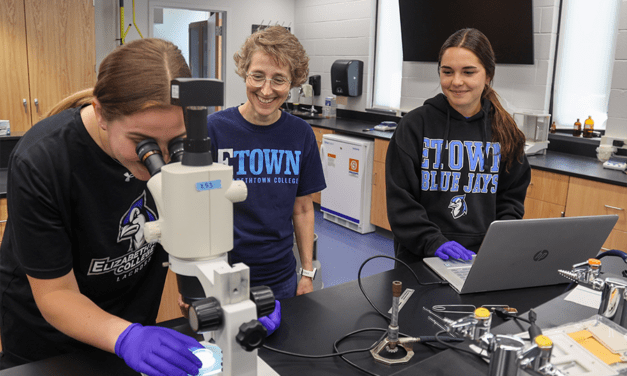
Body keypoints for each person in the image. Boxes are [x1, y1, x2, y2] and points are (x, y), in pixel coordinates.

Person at [0, 38, 204, 376]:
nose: (163, 159)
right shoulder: (44, 160)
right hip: (50, 342)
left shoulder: (190, 144)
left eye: (176, 142)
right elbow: (55, 294)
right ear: (101, 114)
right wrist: (125, 337)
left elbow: (195, 230)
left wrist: (226, 293)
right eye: (144, 144)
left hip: (132, 327)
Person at [386, 28, 531, 265]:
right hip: (421, 258)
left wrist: (496, 245)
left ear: (488, 75)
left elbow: (510, 202)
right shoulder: (414, 127)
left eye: (468, 72)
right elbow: (401, 202)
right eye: (447, 72)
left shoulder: (506, 132)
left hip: (482, 261)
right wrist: (434, 242)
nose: (456, 81)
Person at [205, 26, 326, 301]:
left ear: (293, 82)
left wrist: (307, 272)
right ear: (244, 72)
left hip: (280, 277)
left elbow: (304, 208)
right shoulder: (214, 130)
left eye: (279, 79)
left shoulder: (301, 134)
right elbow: (194, 208)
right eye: (257, 76)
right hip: (221, 276)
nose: (266, 90)